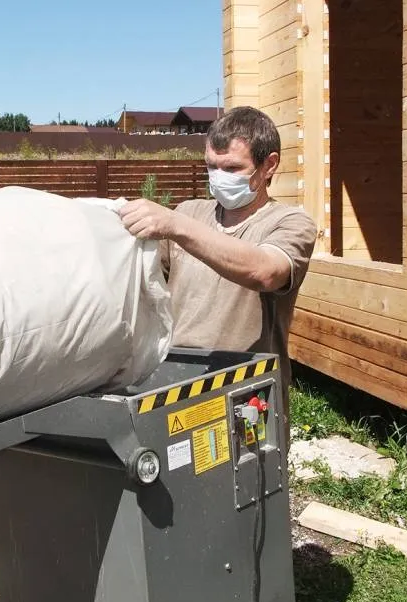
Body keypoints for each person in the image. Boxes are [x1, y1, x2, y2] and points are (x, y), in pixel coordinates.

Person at [119, 106, 317, 447]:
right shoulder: (191, 212)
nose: (218, 176)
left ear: (269, 165)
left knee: (252, 486)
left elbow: (265, 271)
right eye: (211, 166)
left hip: (248, 391)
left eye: (232, 168)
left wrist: (176, 226)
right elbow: (140, 279)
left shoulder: (290, 223)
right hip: (178, 383)